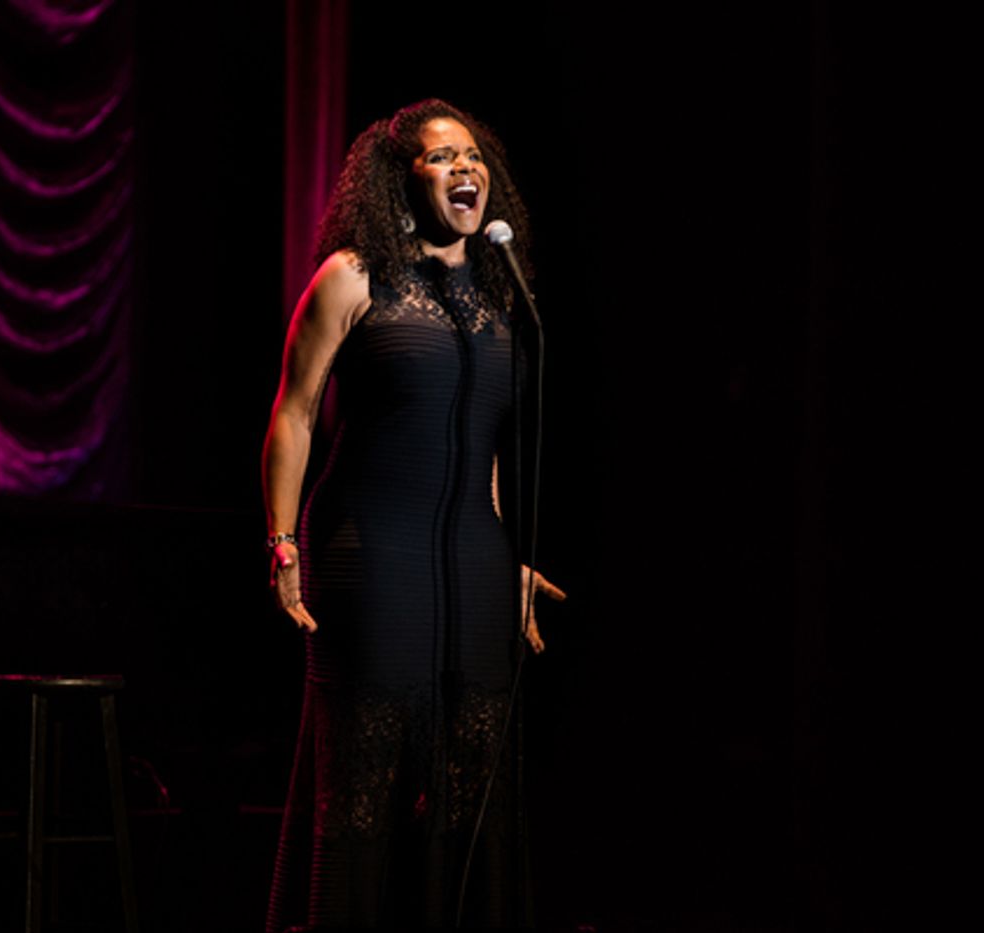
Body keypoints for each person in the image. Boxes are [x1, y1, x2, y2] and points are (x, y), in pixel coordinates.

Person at [262, 98, 567, 931]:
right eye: (442, 157)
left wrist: (507, 556)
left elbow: (490, 448)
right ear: (404, 179)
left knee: (469, 784)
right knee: (366, 780)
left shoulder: (505, 291)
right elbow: (293, 414)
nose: (466, 169)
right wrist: (283, 541)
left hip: (473, 558)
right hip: (371, 555)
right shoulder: (351, 275)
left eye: (474, 156)